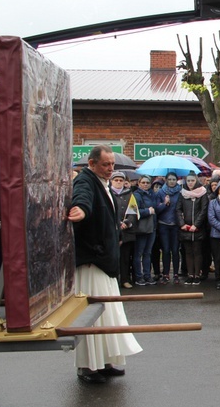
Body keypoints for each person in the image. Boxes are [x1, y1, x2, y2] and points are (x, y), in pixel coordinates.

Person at [68, 145, 142, 383]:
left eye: (112, 165)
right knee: (92, 315)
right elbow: (82, 199)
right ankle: (88, 366)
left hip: (106, 260)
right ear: (91, 164)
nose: (110, 169)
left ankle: (106, 361)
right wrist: (80, 209)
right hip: (92, 261)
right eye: (105, 165)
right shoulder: (85, 181)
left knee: (109, 312)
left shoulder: (104, 183)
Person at [176, 171, 208, 285]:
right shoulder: (182, 193)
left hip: (197, 228)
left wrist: (197, 224)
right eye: (188, 181)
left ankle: (197, 275)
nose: (190, 183)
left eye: (192, 180)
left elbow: (204, 210)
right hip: (185, 228)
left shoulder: (203, 193)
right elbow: (178, 209)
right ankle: (190, 274)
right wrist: (182, 224)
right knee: (188, 252)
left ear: (196, 181)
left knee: (197, 251)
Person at [109, 171, 135, 289]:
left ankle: (125, 279)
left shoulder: (130, 194)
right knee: (112, 257)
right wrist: (117, 222)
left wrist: (127, 222)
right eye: (116, 180)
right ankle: (113, 281)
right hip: (112, 230)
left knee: (125, 257)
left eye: (121, 180)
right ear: (111, 181)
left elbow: (134, 211)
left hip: (127, 231)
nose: (118, 182)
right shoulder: (107, 193)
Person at [157, 172, 182, 285]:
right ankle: (166, 274)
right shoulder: (161, 192)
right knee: (166, 250)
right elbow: (156, 209)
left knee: (175, 250)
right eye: (170, 179)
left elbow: (181, 208)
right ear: (166, 180)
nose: (172, 181)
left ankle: (176, 274)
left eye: (174, 179)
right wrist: (164, 203)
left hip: (175, 225)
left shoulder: (180, 192)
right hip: (163, 224)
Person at [132, 175, 158, 286]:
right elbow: (133, 211)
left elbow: (156, 209)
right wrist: (147, 211)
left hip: (151, 227)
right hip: (141, 229)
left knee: (148, 253)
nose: (146, 184)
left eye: (147, 182)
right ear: (139, 183)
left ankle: (147, 275)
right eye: (143, 182)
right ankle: (138, 276)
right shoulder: (136, 195)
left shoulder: (152, 194)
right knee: (138, 253)